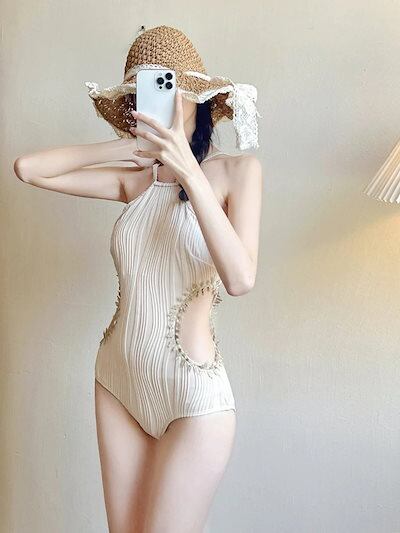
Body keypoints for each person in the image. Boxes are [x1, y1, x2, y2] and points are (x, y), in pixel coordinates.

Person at [14, 25, 263, 533]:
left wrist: (188, 171)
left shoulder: (238, 172)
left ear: (196, 95)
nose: (158, 101)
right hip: (116, 383)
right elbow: (28, 169)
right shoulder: (135, 180)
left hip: (193, 397)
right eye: (143, 91)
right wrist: (123, 150)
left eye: (168, 85)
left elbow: (240, 279)